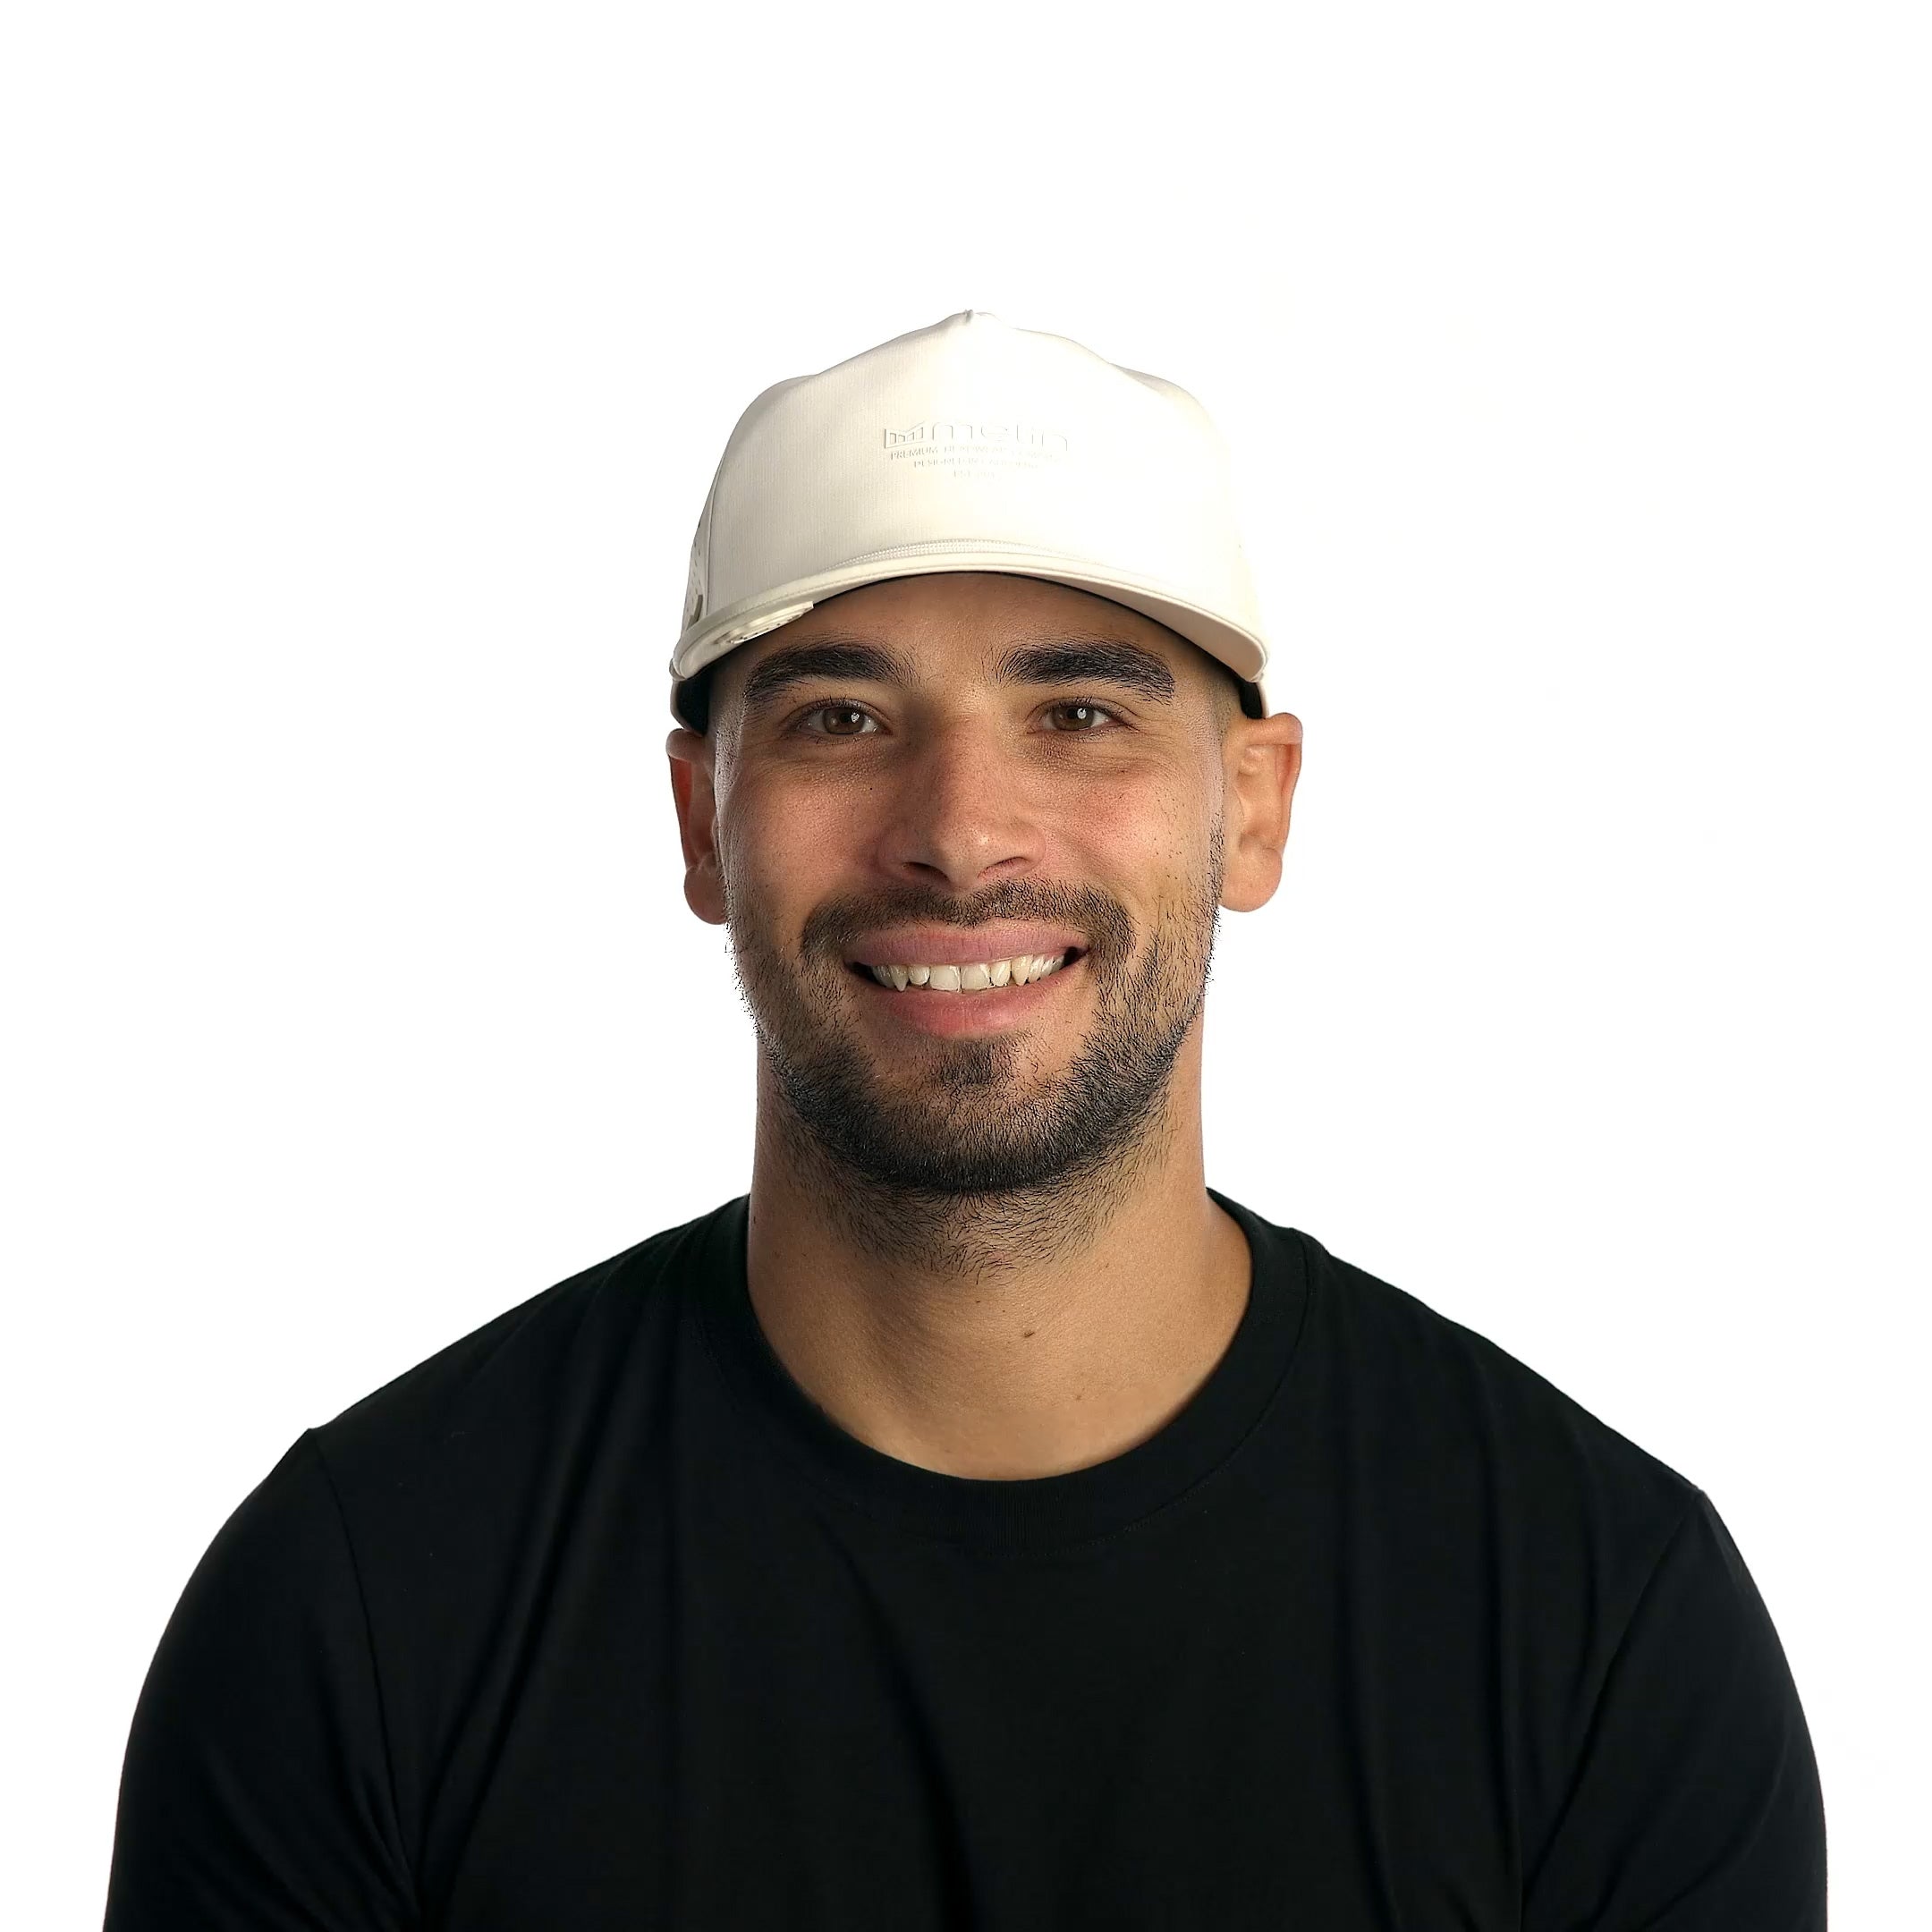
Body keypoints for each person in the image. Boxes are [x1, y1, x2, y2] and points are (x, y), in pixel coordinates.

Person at [103, 311, 1827, 1928]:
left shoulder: (1601, 1625)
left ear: (1253, 809)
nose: (960, 829)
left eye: (1079, 714)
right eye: (841, 719)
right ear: (704, 823)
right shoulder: (364, 1609)